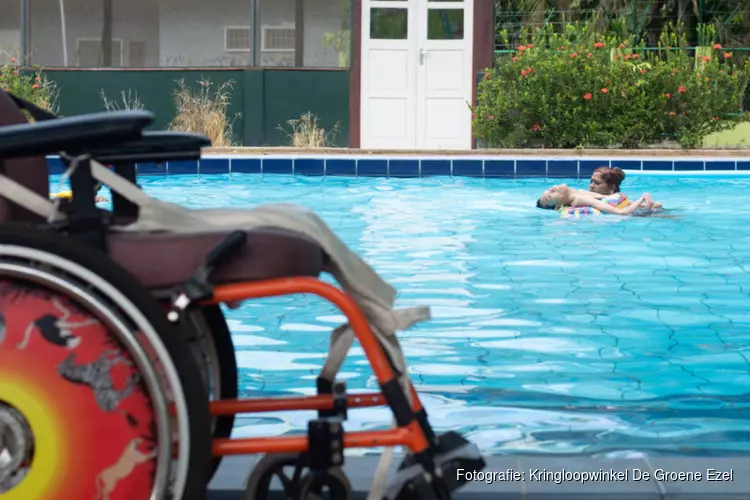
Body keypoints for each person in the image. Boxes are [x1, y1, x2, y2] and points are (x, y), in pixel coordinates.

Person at [536, 183, 655, 215]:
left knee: (658, 206)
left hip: (637, 208)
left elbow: (607, 197)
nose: (551, 189)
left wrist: (642, 204)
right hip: (633, 214)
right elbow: (620, 212)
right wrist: (642, 198)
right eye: (549, 196)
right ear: (557, 206)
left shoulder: (580, 192)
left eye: (548, 189)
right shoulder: (579, 200)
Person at [587, 166, 663, 210]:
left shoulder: (620, 201)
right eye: (591, 182)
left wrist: (649, 203)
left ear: (612, 188)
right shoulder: (587, 196)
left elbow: (656, 205)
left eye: (597, 183)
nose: (591, 186)